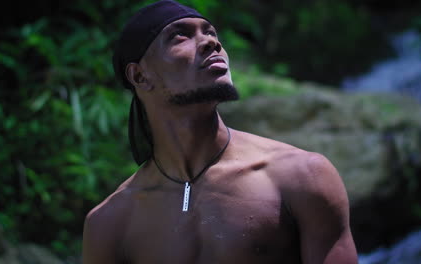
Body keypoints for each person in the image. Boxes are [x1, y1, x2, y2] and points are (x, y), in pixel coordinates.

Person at [82, 1, 358, 263]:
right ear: (140, 76)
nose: (211, 42)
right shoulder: (111, 222)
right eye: (180, 36)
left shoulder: (300, 177)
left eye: (211, 33)